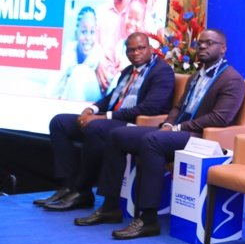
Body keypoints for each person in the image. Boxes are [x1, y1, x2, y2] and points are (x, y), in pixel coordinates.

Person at [76, 28, 245, 239]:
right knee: (118, 135)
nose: (202, 46)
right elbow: (178, 107)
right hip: (178, 132)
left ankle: (148, 219)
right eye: (199, 43)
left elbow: (220, 118)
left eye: (209, 43)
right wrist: (168, 124)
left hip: (202, 138)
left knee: (152, 141)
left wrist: (179, 128)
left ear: (223, 48)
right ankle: (110, 207)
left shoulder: (231, 79)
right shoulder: (196, 76)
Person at [36, 32, 175, 212]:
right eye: (131, 50)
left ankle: (82, 190)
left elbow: (151, 108)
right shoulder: (129, 70)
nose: (136, 53)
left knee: (95, 127)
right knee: (60, 122)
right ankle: (67, 186)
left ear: (150, 49)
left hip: (135, 124)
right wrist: (92, 109)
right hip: (112, 118)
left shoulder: (162, 71)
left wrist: (105, 117)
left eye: (141, 48)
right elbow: (112, 97)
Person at [46, 5, 103, 102]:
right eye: (84, 31)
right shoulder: (69, 52)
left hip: (94, 103)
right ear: (76, 32)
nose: (88, 37)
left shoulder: (99, 55)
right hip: (71, 98)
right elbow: (52, 89)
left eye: (92, 32)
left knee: (79, 72)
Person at [96, 0, 131, 93]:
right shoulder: (101, 13)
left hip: (127, 76)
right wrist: (97, 63)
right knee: (79, 75)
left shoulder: (137, 10)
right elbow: (93, 45)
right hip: (102, 75)